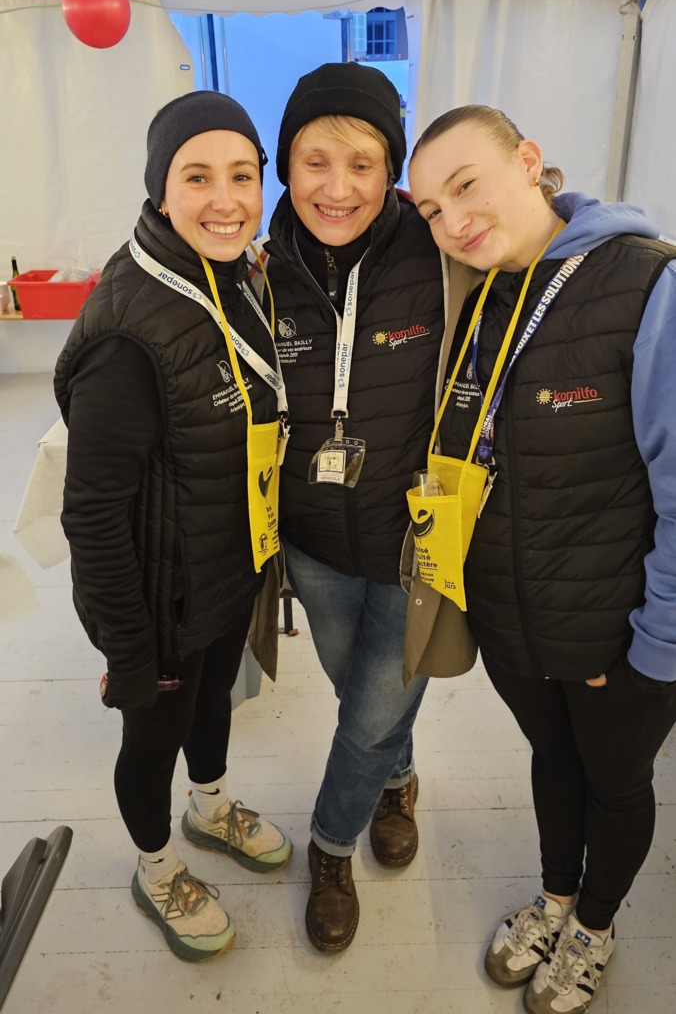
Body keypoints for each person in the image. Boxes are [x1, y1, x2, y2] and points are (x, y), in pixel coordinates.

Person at [407, 103, 676, 1013]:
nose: (454, 221)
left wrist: (656, 652)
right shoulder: (483, 294)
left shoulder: (647, 283)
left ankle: (594, 926)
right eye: (432, 210)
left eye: (466, 186)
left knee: (616, 783)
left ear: (529, 161)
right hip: (513, 619)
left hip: (617, 634)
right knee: (552, 761)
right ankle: (556, 898)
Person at [54, 91, 292, 964]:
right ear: (160, 189)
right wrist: (129, 648)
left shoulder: (230, 277)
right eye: (197, 178)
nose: (226, 200)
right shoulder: (128, 330)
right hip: (157, 602)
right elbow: (91, 513)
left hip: (226, 567)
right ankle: (156, 867)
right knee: (153, 735)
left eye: (243, 176)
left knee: (215, 700)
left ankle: (210, 805)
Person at [259, 63, 445, 951]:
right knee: (357, 688)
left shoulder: (440, 257)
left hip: (415, 540)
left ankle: (330, 848)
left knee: (370, 708)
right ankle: (398, 782)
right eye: (315, 162)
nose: (337, 188)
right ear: (286, 167)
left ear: (392, 170)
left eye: (362, 164)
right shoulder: (259, 272)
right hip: (314, 541)